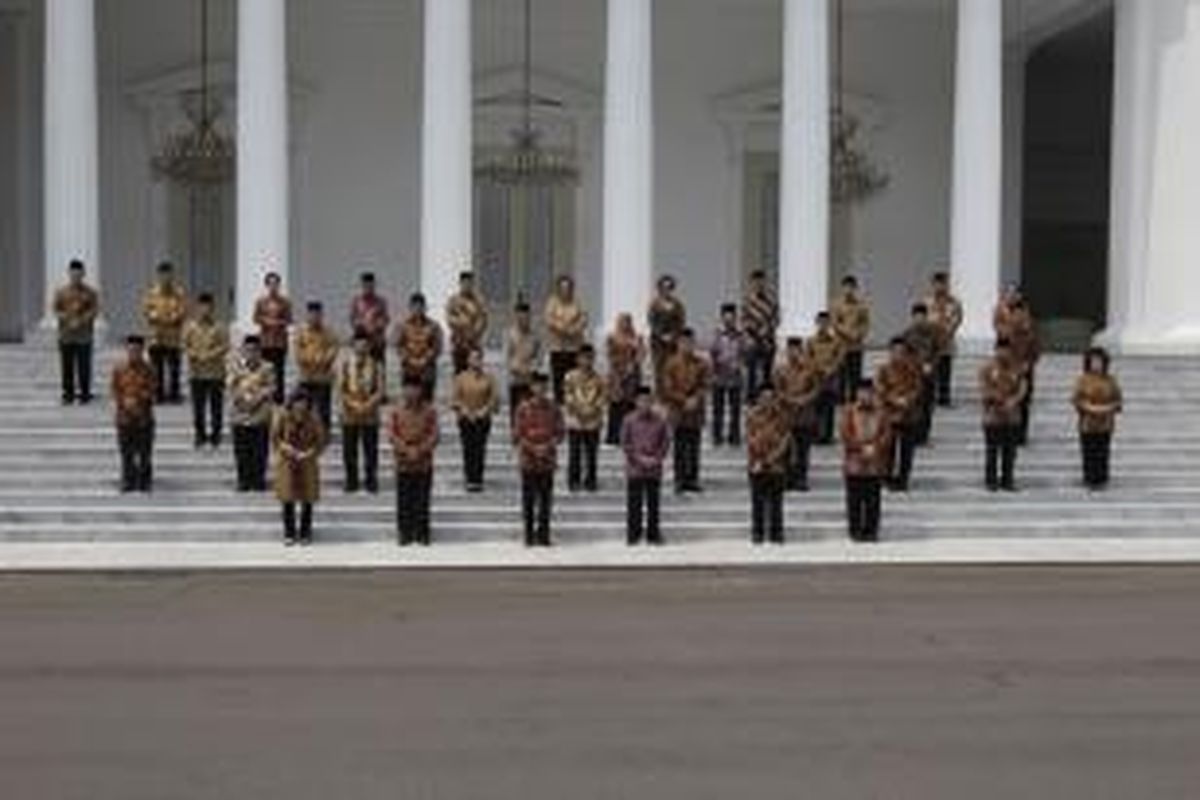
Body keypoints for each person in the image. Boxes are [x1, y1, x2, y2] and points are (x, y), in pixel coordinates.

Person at [272, 389, 327, 546]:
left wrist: (310, 453)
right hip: (287, 462)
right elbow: (276, 437)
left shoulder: (313, 417)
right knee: (287, 500)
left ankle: (305, 532)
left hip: (307, 462)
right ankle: (289, 533)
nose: (300, 405)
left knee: (307, 500)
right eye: (297, 402)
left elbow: (320, 440)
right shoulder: (283, 415)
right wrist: (286, 448)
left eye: (303, 402)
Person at [514, 373, 563, 547]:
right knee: (528, 500)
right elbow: (518, 434)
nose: (540, 390)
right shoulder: (523, 408)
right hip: (528, 459)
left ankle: (544, 534)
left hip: (547, 460)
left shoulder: (554, 408)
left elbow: (560, 433)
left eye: (543, 386)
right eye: (537, 386)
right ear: (531, 388)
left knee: (546, 500)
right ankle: (528, 534)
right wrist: (533, 448)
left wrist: (547, 446)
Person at [389, 376, 440, 546]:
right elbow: (392, 434)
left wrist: (420, 450)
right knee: (404, 500)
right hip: (403, 461)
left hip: (423, 461)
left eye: (415, 388)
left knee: (422, 499)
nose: (412, 392)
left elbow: (434, 434)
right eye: (408, 388)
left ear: (421, 391)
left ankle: (422, 532)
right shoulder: (396, 411)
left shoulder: (430, 411)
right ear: (403, 390)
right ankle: (404, 532)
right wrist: (406, 449)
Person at [840, 379, 892, 543]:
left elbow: (887, 434)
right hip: (854, 463)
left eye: (868, 393)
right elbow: (844, 433)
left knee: (873, 500)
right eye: (862, 392)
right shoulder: (849, 411)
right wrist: (860, 448)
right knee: (854, 499)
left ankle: (871, 530)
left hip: (874, 463)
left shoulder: (881, 412)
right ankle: (854, 530)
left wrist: (875, 447)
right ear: (857, 394)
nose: (865, 396)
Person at [661, 328, 711, 494]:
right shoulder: (671, 363)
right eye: (684, 343)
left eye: (690, 343)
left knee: (694, 447)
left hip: (695, 411)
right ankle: (679, 479)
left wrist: (696, 398)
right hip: (678, 411)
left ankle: (693, 478)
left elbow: (705, 384)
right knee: (680, 447)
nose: (687, 346)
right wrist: (684, 400)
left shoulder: (701, 363)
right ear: (678, 343)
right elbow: (667, 388)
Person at [621, 386, 670, 546]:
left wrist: (656, 458)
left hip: (654, 468)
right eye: (642, 401)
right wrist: (639, 459)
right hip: (635, 468)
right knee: (634, 504)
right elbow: (626, 443)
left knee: (653, 504)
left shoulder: (660, 421)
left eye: (648, 401)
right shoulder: (628, 420)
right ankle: (633, 534)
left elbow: (665, 443)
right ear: (636, 402)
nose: (645, 404)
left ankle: (653, 534)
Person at [338, 330, 385, 494]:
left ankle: (371, 480)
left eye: (365, 344)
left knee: (370, 449)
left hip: (370, 414)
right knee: (349, 450)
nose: (362, 347)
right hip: (349, 413)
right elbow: (341, 389)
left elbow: (380, 390)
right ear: (353, 345)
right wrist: (352, 404)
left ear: (370, 346)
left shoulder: (376, 365)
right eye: (358, 344)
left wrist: (368, 405)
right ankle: (351, 480)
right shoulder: (345, 364)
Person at [182, 292, 230, 449]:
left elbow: (225, 345)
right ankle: (200, 434)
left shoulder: (220, 326)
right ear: (197, 307)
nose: (205, 310)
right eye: (202, 306)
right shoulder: (190, 326)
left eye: (208, 306)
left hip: (216, 372)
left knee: (216, 406)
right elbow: (184, 345)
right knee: (198, 407)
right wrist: (195, 354)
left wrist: (210, 355)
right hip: (197, 373)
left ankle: (216, 434)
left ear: (213, 308)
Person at [979, 339, 1027, 492]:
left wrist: (1014, 400)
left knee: (1010, 451)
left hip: (1012, 416)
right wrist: (999, 399)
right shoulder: (987, 368)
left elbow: (1023, 387)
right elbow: (984, 387)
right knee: (992, 450)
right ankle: (991, 480)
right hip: (993, 416)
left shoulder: (1017, 368)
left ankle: (1008, 480)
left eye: (1006, 350)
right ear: (995, 350)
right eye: (1000, 349)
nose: (1003, 353)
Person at [875, 337, 923, 492]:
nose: (898, 355)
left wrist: (907, 400)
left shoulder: (913, 369)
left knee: (906, 450)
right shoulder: (883, 369)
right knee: (888, 449)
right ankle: (886, 477)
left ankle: (903, 479)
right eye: (895, 351)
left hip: (909, 414)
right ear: (889, 352)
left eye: (901, 352)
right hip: (889, 414)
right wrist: (894, 399)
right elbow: (879, 388)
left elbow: (917, 388)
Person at [228, 335, 275, 492]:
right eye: (248, 350)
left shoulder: (268, 367)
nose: (251, 354)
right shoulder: (235, 367)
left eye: (254, 350)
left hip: (260, 415)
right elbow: (231, 387)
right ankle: (243, 480)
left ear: (259, 352)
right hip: (239, 415)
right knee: (242, 452)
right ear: (242, 351)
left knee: (259, 452)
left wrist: (256, 399)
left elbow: (271, 388)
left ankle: (258, 480)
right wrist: (242, 400)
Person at [774, 337, 821, 492]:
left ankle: (801, 479)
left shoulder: (810, 369)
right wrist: (790, 399)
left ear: (801, 351)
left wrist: (804, 400)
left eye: (796, 350)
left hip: (805, 416)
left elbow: (816, 389)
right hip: (786, 415)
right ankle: (787, 478)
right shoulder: (780, 370)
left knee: (803, 450)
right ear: (786, 352)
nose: (793, 353)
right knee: (786, 449)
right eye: (790, 350)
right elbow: (777, 391)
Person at [747, 383, 792, 545]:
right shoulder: (752, 416)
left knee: (776, 502)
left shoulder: (782, 416)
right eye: (764, 398)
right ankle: (758, 532)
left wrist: (772, 457)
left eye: (770, 398)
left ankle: (776, 533)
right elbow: (751, 439)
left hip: (776, 465)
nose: (767, 401)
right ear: (759, 399)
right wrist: (761, 458)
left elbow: (785, 439)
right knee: (757, 502)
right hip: (756, 463)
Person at [110, 335, 156, 493]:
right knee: (126, 452)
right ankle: (127, 480)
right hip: (124, 417)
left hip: (144, 417)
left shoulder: (149, 369)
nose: (134, 353)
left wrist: (138, 398)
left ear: (142, 351)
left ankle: (144, 481)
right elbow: (115, 390)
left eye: (137, 350)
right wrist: (124, 401)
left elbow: (152, 390)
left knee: (145, 452)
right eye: (131, 350)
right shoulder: (119, 369)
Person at [1073, 347, 1123, 490]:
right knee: (1089, 450)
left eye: (1099, 362)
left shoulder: (1111, 380)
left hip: (1105, 423)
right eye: (1094, 362)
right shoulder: (1082, 380)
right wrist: (1090, 408)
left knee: (1103, 450)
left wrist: (1108, 408)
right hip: (1088, 423)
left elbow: (1118, 400)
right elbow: (1077, 399)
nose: (1097, 365)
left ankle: (1101, 478)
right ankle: (1089, 478)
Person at [52, 259, 100, 405]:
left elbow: (94, 310)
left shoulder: (91, 292)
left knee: (84, 365)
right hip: (66, 334)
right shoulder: (61, 292)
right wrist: (66, 318)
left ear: (83, 274)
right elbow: (56, 309)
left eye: (79, 273)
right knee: (67, 366)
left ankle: (85, 393)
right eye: (73, 273)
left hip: (84, 335)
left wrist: (82, 320)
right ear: (69, 273)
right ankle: (68, 393)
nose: (76, 276)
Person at [452, 348, 499, 492]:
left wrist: (484, 410)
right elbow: (455, 399)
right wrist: (465, 410)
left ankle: (478, 478)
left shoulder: (489, 378)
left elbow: (494, 397)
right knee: (468, 448)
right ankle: (469, 478)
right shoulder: (460, 378)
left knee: (480, 448)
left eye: (478, 358)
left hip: (482, 418)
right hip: (465, 418)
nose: (475, 361)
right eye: (472, 358)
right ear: (468, 360)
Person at [141, 261, 187, 403]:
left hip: (173, 337)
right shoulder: (151, 293)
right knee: (157, 368)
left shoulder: (179, 293)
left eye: (168, 274)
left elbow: (183, 310)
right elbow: (146, 310)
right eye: (163, 274)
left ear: (172, 275)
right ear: (158, 275)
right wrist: (156, 316)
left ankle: (174, 394)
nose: (166, 277)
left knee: (174, 368)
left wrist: (175, 316)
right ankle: (158, 394)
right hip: (156, 336)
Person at [563, 344, 606, 492]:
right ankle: (573, 480)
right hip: (576, 420)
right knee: (574, 453)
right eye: (584, 358)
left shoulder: (599, 378)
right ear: (577, 359)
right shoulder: (570, 376)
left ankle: (591, 480)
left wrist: (593, 409)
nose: (587, 361)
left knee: (591, 453)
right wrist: (579, 410)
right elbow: (568, 396)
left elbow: (602, 397)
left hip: (593, 420)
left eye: (590, 358)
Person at [294, 301, 340, 431]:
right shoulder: (301, 332)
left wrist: (323, 359)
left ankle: (324, 432)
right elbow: (298, 351)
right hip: (306, 376)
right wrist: (309, 359)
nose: (315, 317)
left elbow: (334, 348)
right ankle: (305, 431)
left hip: (323, 376)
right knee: (304, 406)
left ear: (321, 315)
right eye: (312, 314)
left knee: (323, 407)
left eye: (317, 314)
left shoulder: (328, 331)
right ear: (307, 315)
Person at [543, 275, 589, 404]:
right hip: (558, 347)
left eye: (568, 288)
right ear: (558, 289)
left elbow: (584, 318)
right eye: (563, 288)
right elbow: (549, 320)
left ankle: (574, 404)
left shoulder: (577, 302)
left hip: (574, 348)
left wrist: (574, 329)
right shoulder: (552, 302)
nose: (566, 291)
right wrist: (563, 329)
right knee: (559, 379)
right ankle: (560, 403)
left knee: (574, 378)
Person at [902, 303, 940, 445]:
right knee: (914, 407)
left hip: (928, 376)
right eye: (917, 317)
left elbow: (937, 352)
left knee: (927, 407)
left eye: (922, 317)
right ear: (912, 318)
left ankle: (924, 436)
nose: (920, 319)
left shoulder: (933, 333)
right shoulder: (907, 335)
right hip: (912, 376)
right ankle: (913, 436)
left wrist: (931, 365)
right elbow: (903, 355)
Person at [605, 312, 645, 446]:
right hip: (616, 374)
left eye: (628, 321)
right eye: (622, 321)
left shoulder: (637, 337)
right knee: (616, 404)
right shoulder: (612, 337)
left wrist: (633, 365)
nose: (625, 324)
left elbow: (641, 354)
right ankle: (614, 436)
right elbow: (610, 355)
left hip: (632, 375)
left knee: (630, 404)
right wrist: (620, 370)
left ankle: (631, 436)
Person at [924, 271, 963, 406]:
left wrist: (948, 330)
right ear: (933, 285)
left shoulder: (954, 302)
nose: (940, 287)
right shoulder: (927, 302)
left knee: (945, 370)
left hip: (946, 341)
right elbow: (924, 319)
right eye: (937, 284)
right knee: (930, 371)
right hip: (930, 343)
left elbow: (957, 318)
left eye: (943, 284)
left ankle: (944, 397)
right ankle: (929, 397)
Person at [1005, 298, 1041, 446]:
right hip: (1008, 374)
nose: (1019, 317)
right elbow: (1001, 353)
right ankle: (1009, 434)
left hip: (1025, 373)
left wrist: (1029, 364)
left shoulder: (1030, 333)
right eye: (1015, 313)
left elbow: (1036, 352)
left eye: (1021, 313)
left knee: (1024, 404)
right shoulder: (1006, 334)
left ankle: (1021, 436)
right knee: (1009, 403)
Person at [253, 271, 293, 403]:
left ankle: (279, 400)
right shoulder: (261, 301)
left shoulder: (285, 302)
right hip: (265, 342)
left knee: (279, 373)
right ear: (266, 285)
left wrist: (278, 323)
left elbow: (289, 319)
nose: (273, 286)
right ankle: (265, 398)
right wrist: (266, 321)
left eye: (276, 284)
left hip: (280, 342)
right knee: (265, 371)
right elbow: (255, 318)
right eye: (270, 284)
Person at [709, 303, 746, 446]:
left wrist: (739, 363)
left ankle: (734, 436)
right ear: (722, 317)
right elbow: (712, 352)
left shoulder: (740, 335)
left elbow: (744, 353)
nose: (729, 320)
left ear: (735, 318)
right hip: (719, 376)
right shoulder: (717, 334)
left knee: (735, 409)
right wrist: (719, 361)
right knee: (718, 409)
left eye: (732, 317)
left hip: (735, 377)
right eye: (726, 317)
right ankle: (717, 436)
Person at [395, 292, 443, 402]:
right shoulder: (402, 325)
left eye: (420, 307)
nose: (417, 310)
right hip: (408, 368)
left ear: (425, 308)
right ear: (410, 307)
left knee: (426, 401)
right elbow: (399, 345)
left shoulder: (433, 326)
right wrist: (409, 359)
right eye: (414, 307)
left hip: (427, 368)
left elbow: (437, 346)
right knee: (410, 401)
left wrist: (425, 359)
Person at [806, 312, 844, 445]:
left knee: (829, 409)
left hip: (831, 380)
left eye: (826, 322)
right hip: (816, 379)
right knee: (815, 409)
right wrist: (817, 369)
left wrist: (830, 369)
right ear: (817, 323)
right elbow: (808, 358)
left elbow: (839, 359)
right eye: (821, 322)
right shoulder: (811, 341)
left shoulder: (837, 342)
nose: (823, 325)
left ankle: (827, 436)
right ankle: (815, 435)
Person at [831, 275, 871, 401]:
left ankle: (854, 403)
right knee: (841, 377)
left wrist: (859, 334)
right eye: (846, 287)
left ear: (855, 288)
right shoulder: (836, 304)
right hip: (842, 346)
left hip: (856, 346)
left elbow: (866, 323)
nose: (849, 290)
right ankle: (841, 404)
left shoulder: (862, 305)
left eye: (851, 287)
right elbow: (834, 323)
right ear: (842, 288)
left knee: (855, 377)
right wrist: (848, 333)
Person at [742, 268, 779, 402]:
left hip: (768, 340)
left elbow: (776, 320)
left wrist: (767, 330)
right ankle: (751, 396)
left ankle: (766, 397)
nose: (759, 284)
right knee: (751, 370)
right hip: (753, 340)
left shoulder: (771, 300)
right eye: (756, 281)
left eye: (761, 281)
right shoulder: (747, 301)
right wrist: (755, 333)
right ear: (751, 283)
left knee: (767, 370)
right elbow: (744, 321)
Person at [647, 275, 687, 394]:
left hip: (673, 343)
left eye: (669, 287)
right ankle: (660, 396)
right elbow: (651, 321)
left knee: (673, 368)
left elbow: (681, 322)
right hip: (658, 343)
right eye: (664, 287)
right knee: (659, 370)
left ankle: (672, 395)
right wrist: (661, 335)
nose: (667, 290)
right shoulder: (654, 304)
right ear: (659, 288)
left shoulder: (678, 305)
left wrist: (673, 336)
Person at [445, 271, 489, 374]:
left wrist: (474, 331)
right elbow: (449, 319)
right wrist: (462, 323)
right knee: (459, 374)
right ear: (460, 283)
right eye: (464, 283)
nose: (467, 286)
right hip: (459, 343)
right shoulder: (454, 300)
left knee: (474, 375)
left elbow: (484, 319)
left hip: (474, 344)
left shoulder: (479, 300)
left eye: (469, 283)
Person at [349, 271, 390, 366]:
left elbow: (385, 319)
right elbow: (352, 319)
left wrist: (376, 325)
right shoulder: (356, 301)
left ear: (374, 285)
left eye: (370, 285)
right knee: (361, 371)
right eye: (365, 285)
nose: (368, 288)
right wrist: (361, 324)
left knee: (378, 371)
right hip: (362, 342)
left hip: (376, 341)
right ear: (362, 286)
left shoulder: (381, 301)